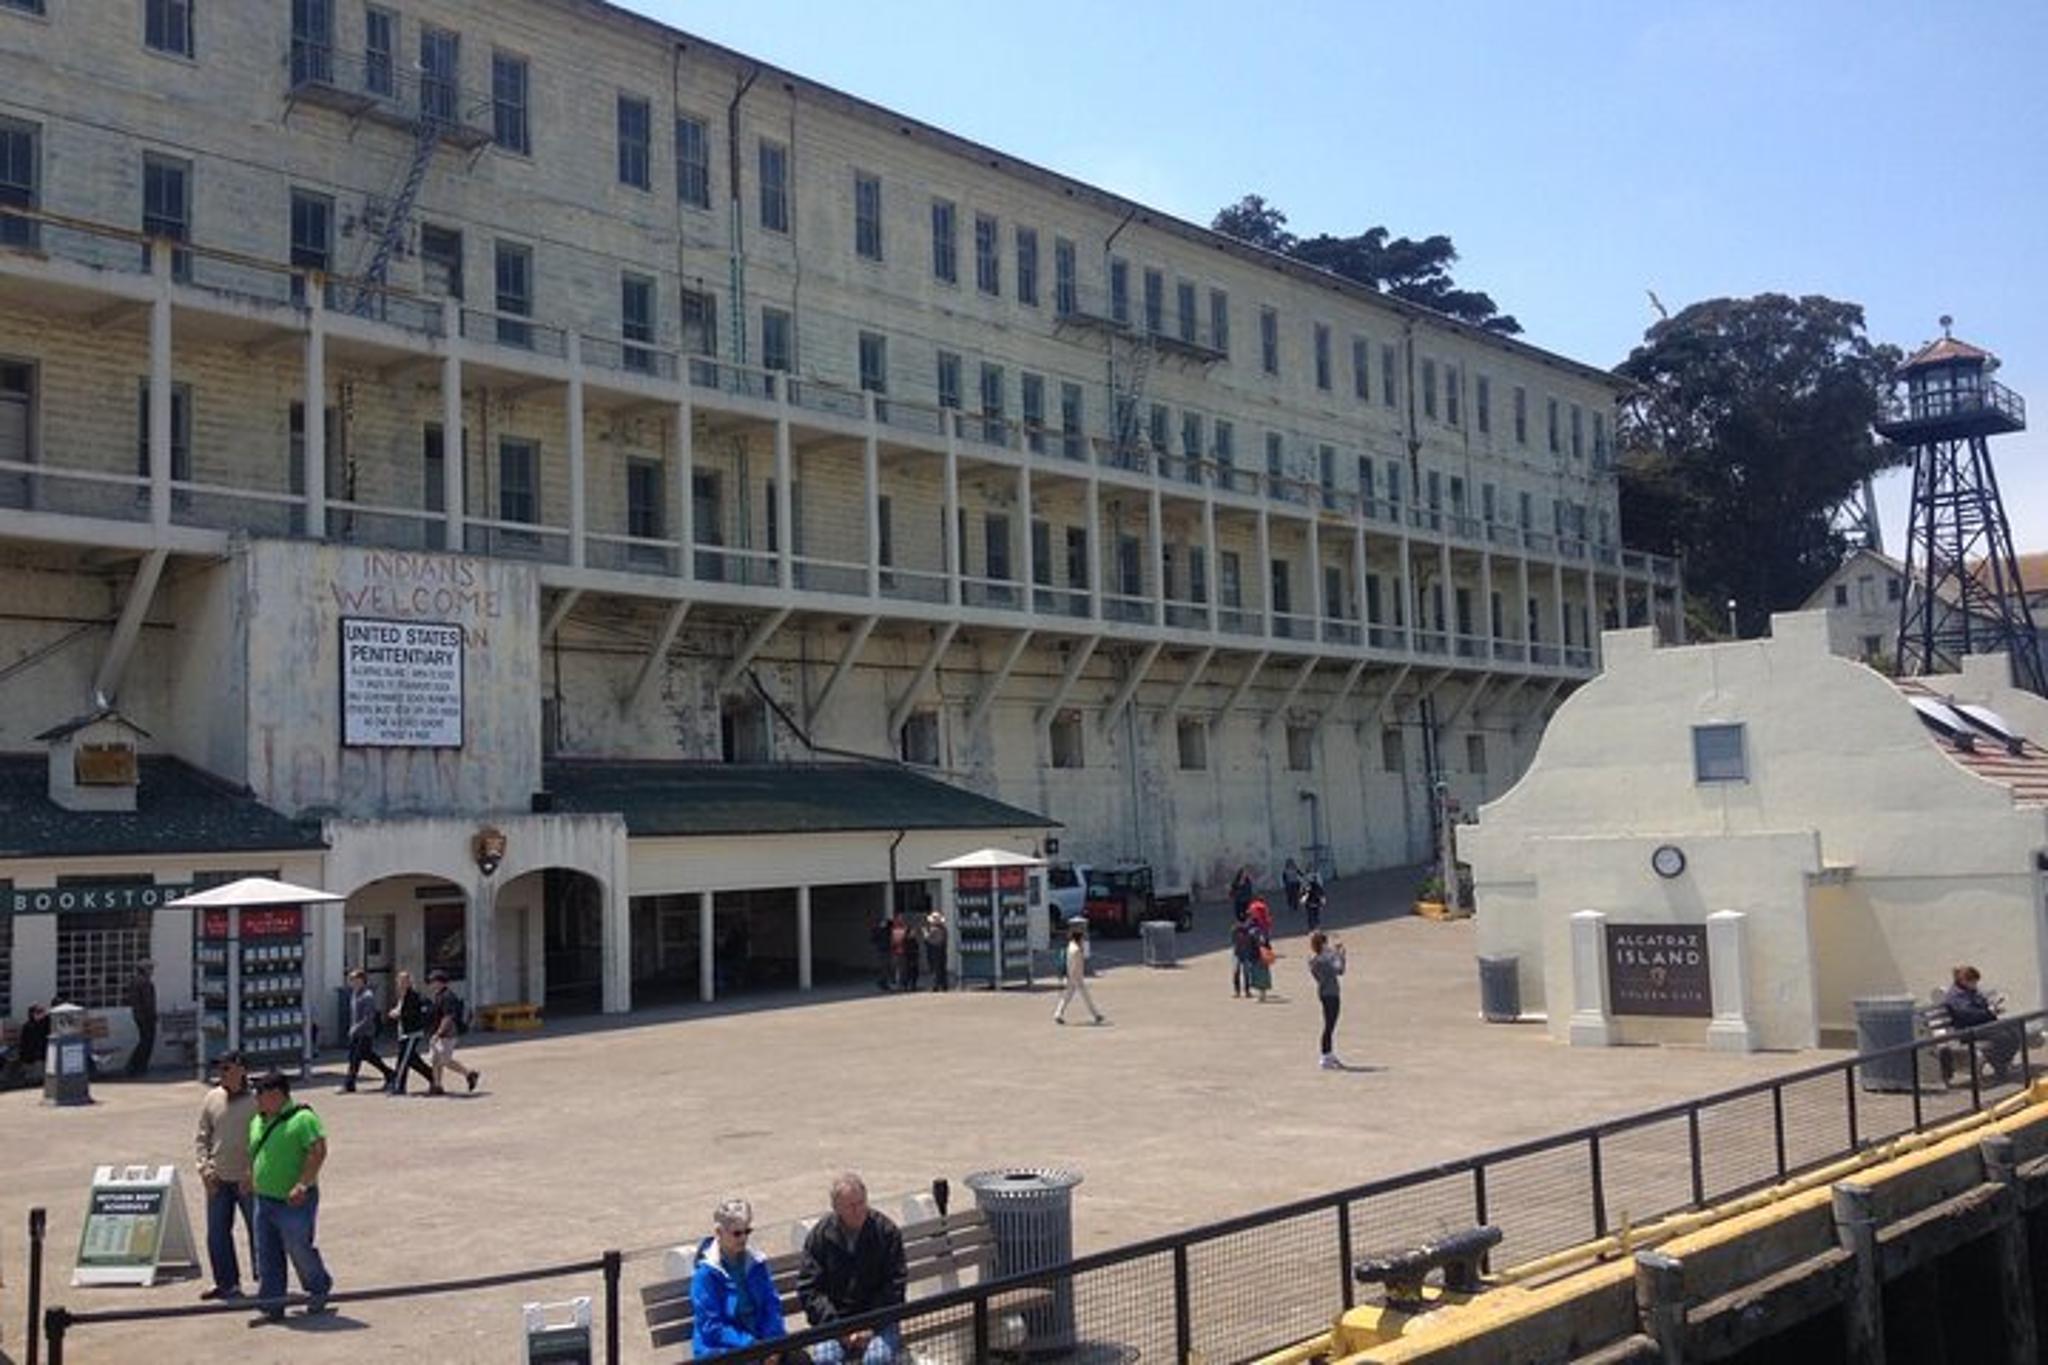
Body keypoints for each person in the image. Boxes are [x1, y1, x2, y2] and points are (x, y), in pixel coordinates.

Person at [246, 1069, 332, 1324]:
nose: (256, 1101)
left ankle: (318, 1287)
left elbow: (318, 1151)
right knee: (267, 1252)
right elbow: (254, 1151)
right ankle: (272, 1304)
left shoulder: (303, 1118)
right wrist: (250, 1175)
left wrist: (303, 1184)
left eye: (260, 1095)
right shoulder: (258, 1120)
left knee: (298, 1248)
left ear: (276, 1095)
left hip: (294, 1201)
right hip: (264, 1198)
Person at [798, 1173, 907, 1364]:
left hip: (880, 1321)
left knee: (877, 1358)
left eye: (861, 1203)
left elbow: (895, 1285)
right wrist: (839, 1329)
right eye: (851, 1206)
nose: (859, 1210)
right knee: (824, 1359)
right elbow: (810, 1290)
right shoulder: (820, 1236)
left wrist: (871, 1326)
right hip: (835, 1323)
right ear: (836, 1209)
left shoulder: (886, 1231)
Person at [691, 1196, 798, 1361]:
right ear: (719, 1232)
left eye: (747, 1231)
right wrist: (753, 1346)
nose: (743, 1238)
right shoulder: (705, 1275)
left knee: (801, 1359)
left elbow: (771, 1305)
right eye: (736, 1233)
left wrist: (772, 1344)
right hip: (725, 1351)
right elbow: (712, 1328)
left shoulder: (756, 1263)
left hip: (762, 1344)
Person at [194, 1049, 257, 1301]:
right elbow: (202, 1137)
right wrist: (204, 1169)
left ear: (241, 1069)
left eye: (226, 1068)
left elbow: (264, 1140)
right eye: (219, 1068)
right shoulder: (211, 1098)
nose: (221, 1073)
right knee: (217, 1233)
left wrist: (252, 1173)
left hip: (248, 1180)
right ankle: (226, 1283)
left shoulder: (256, 1101)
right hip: (218, 1178)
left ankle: (267, 1282)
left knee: (259, 1232)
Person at [1945, 964, 2020, 1082]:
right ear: (1964, 981)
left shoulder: (1971, 991)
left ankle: (2001, 1063)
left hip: (1983, 1026)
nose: (1975, 985)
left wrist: (1993, 1006)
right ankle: (1999, 1064)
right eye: (1973, 982)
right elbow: (1967, 1015)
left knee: (2015, 1030)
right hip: (1968, 1030)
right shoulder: (1955, 996)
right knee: (2003, 1037)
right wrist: (1989, 1012)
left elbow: (1982, 1006)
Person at [424, 970, 479, 1096]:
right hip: (440, 1032)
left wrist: (439, 1033)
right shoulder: (439, 995)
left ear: (440, 982)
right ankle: (437, 1086)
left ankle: (469, 1074)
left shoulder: (447, 996)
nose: (431, 984)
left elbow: (448, 1017)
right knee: (435, 1059)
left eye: (433, 981)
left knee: (445, 1060)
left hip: (448, 1034)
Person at [340, 969, 395, 1094]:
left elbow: (368, 1017)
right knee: (368, 1056)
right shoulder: (354, 994)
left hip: (365, 1033)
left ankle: (349, 1084)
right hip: (355, 1032)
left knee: (355, 1058)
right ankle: (390, 1073)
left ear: (361, 980)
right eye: (350, 980)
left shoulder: (367, 996)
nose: (351, 982)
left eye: (353, 979)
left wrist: (356, 1028)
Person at [384, 970, 434, 1095]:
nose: (401, 984)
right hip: (403, 1031)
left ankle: (399, 1087)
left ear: (409, 982)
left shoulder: (414, 995)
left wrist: (400, 1014)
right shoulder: (402, 995)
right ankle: (434, 1077)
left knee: (403, 1060)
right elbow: (400, 1008)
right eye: (400, 981)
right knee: (412, 1060)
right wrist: (395, 1011)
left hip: (412, 1033)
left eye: (405, 981)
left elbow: (414, 1011)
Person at [1308, 932, 1349, 1069]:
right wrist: (1341, 955)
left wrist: (1335, 953)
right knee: (1329, 1025)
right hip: (1330, 993)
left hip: (1324, 992)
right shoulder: (1322, 960)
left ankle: (1329, 1053)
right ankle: (1325, 1056)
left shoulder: (1314, 959)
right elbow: (1340, 970)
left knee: (1329, 1024)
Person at [1053, 921, 1104, 1026]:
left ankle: (1058, 1014)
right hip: (1075, 978)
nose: (1083, 939)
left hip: (1073, 977)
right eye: (1082, 938)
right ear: (1078, 938)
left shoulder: (1071, 947)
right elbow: (1075, 965)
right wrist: (1073, 978)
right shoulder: (1076, 950)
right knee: (1085, 997)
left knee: (1067, 997)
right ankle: (1096, 1015)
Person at [124, 958, 157, 1076]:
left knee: (145, 1041)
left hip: (139, 1015)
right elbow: (148, 1002)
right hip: (145, 1017)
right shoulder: (144, 983)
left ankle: (136, 1066)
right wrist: (152, 1015)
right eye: (150, 968)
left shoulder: (136, 981)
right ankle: (137, 1066)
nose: (152, 971)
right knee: (146, 1042)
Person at [5, 1002, 50, 1088]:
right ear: (32, 1014)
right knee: (32, 1073)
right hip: (30, 1055)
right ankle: (32, 1082)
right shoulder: (28, 1026)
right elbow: (24, 1042)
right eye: (37, 1013)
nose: (40, 1015)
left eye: (40, 1013)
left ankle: (37, 1081)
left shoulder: (44, 1024)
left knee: (39, 1070)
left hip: (40, 1054)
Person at [1243, 898, 1275, 1002]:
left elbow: (1261, 939)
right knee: (1258, 972)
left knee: (1260, 972)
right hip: (1258, 951)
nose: (1250, 914)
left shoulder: (1258, 925)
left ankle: (1262, 994)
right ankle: (1261, 993)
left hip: (1259, 952)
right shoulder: (1260, 923)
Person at [921, 909, 950, 992]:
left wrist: (925, 932)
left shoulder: (934, 929)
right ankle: (943, 985)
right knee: (941, 968)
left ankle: (936, 985)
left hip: (935, 950)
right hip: (942, 950)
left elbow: (928, 939)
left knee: (935, 969)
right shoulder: (944, 929)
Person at [870, 916, 895, 991]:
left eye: (885, 922)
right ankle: (882, 983)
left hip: (887, 949)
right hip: (881, 950)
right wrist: (879, 944)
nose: (884, 924)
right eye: (883, 922)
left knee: (889, 967)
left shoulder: (888, 929)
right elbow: (872, 939)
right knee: (884, 967)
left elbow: (891, 923)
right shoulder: (877, 930)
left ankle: (884, 982)